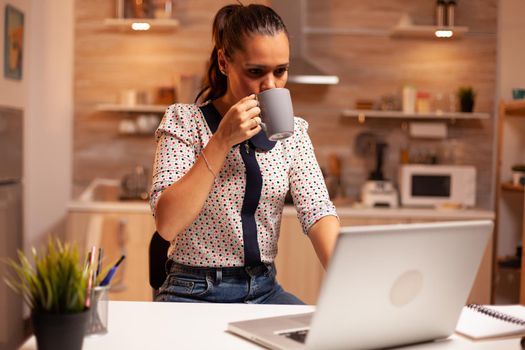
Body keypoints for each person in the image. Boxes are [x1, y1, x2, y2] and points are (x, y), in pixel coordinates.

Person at [150, 3, 340, 304]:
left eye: (281, 71)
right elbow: (167, 223)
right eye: (255, 72)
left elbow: (317, 211)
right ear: (224, 63)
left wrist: (347, 277)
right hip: (193, 290)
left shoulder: (294, 133)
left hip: (264, 289)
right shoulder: (184, 122)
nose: (270, 85)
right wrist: (222, 140)